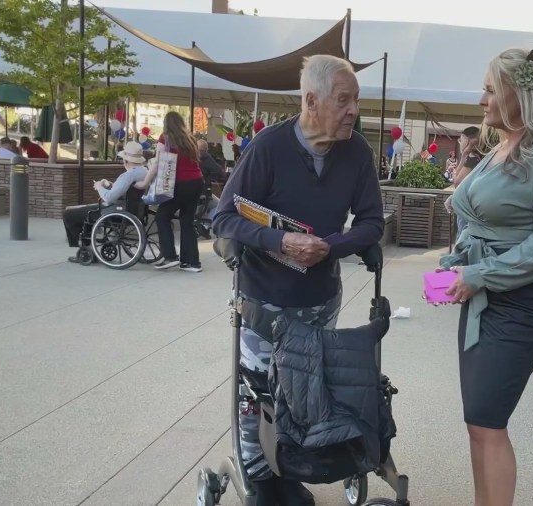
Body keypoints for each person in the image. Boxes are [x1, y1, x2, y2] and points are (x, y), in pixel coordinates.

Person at [211, 54, 384, 506]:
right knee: (258, 390)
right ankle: (258, 477)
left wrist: (333, 245)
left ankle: (288, 468)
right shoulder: (269, 147)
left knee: (304, 389)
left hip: (319, 297)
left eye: (355, 101)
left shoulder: (357, 152)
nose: (352, 111)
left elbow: (371, 222)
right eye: (343, 101)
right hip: (265, 297)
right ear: (311, 100)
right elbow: (224, 217)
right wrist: (279, 241)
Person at [438, 48, 533, 506]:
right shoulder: (497, 149)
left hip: (522, 300)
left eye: (491, 89)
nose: (481, 99)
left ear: (520, 95)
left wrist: (482, 272)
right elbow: (480, 221)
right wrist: (458, 261)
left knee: (489, 421)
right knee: (477, 420)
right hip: (483, 294)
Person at [138, 111, 204, 272]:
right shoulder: (190, 139)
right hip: (196, 182)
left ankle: (170, 256)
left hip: (179, 184)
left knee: (162, 216)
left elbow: (156, 163)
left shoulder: (165, 138)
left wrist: (144, 183)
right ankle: (192, 263)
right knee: (187, 221)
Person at [63, 142, 149, 262]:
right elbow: (126, 190)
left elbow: (108, 197)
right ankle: (88, 245)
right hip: (134, 209)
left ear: (126, 160)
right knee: (86, 212)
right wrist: (108, 184)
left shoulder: (128, 175)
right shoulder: (145, 172)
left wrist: (99, 186)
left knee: (69, 214)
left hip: (114, 210)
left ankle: (83, 247)